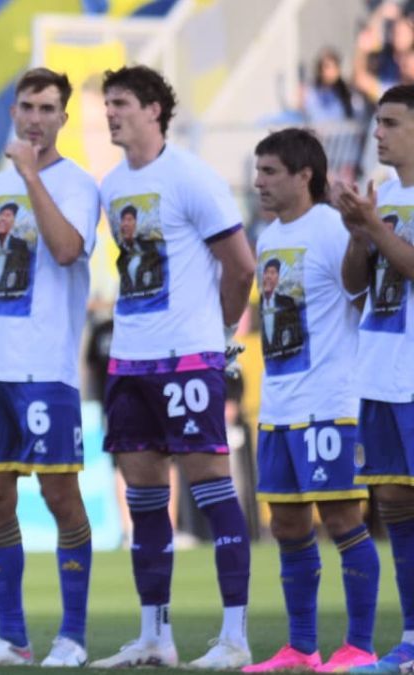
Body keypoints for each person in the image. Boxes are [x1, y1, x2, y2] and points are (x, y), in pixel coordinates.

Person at [91, 66, 256, 669]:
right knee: (143, 500)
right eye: (107, 104)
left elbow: (240, 265)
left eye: (122, 103)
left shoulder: (191, 176)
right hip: (128, 361)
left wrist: (215, 337)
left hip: (186, 358)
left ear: (155, 109)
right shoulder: (110, 185)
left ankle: (234, 638)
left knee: (211, 490)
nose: (110, 113)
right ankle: (154, 637)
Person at [0, 68, 99, 667]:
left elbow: (66, 250)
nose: (35, 118)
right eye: (26, 107)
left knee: (60, 494)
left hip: (44, 366)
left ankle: (75, 634)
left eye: (47, 108)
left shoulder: (77, 184)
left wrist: (32, 176)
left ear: (63, 118)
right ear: (12, 113)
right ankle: (11, 636)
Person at [244, 128, 380, 672]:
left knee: (343, 518)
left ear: (306, 175)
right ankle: (301, 647)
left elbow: (355, 291)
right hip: (279, 403)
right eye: (258, 171)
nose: (259, 182)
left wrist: (357, 239)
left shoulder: (329, 227)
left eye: (271, 171)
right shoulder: (268, 236)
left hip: (328, 400)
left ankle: (360, 646)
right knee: (287, 525)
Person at [336, 83, 414, 675]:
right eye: (378, 122)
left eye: (389, 123)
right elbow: (355, 286)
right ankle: (411, 639)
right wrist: (359, 230)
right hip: (380, 372)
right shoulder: (384, 195)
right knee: (392, 502)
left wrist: (376, 227)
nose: (377, 133)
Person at [259, 258, 305, 358]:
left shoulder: (287, 302)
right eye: (266, 272)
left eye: (273, 273)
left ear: (278, 277)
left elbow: (297, 338)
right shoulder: (259, 302)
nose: (268, 276)